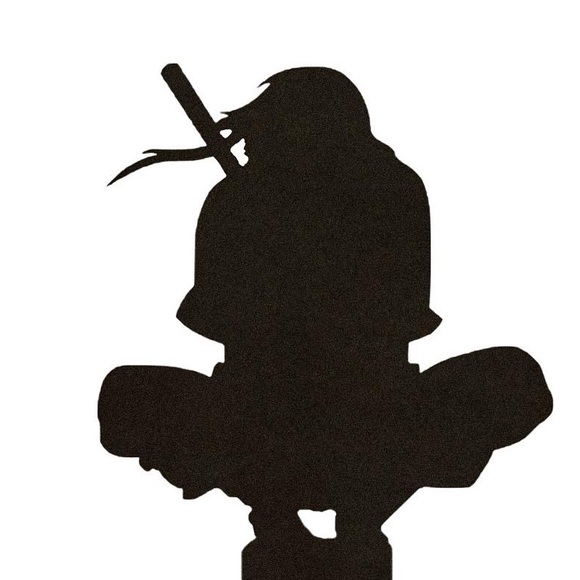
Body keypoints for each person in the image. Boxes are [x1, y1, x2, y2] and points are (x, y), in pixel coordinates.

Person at [99, 67, 552, 579]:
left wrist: (314, 257)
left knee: (512, 379)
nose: (249, 146)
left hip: (375, 410)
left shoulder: (390, 191)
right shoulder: (237, 201)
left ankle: (358, 515)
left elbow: (397, 314)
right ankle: (277, 517)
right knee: (127, 395)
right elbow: (221, 319)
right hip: (257, 409)